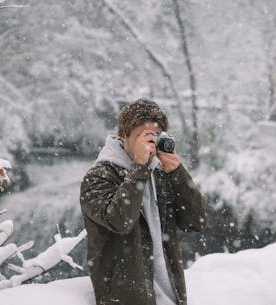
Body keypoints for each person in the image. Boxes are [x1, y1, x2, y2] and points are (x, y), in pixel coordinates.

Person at [80, 98, 208, 305]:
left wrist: (177, 172)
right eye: (143, 136)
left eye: (155, 136)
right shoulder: (98, 177)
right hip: (125, 300)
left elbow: (198, 221)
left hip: (171, 297)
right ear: (123, 136)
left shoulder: (160, 173)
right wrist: (139, 167)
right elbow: (119, 221)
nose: (150, 143)